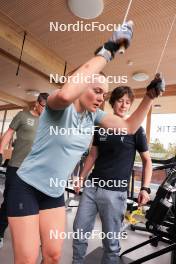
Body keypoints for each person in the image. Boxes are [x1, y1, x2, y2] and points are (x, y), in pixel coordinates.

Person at [6, 24, 164, 264]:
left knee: (53, 255)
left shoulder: (94, 117)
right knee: (27, 259)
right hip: (26, 186)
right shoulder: (58, 105)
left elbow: (129, 127)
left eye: (105, 93)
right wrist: (108, 51)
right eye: (97, 90)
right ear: (81, 86)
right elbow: (68, 93)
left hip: (53, 193)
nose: (102, 97)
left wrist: (150, 98)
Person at [72, 86, 152, 264]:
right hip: (92, 187)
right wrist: (81, 177)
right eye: (120, 101)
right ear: (113, 102)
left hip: (115, 193)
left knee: (111, 242)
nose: (124, 105)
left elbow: (147, 161)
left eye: (128, 102)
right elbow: (93, 155)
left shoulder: (135, 129)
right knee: (79, 231)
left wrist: (145, 188)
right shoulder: (101, 127)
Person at [0, 93, 49, 248]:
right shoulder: (22, 116)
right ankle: (0, 232)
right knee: (9, 201)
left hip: (36, 170)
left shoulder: (48, 122)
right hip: (17, 166)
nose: (45, 109)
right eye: (43, 106)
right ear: (37, 103)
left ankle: (31, 236)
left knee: (34, 203)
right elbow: (8, 133)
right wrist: (0, 150)